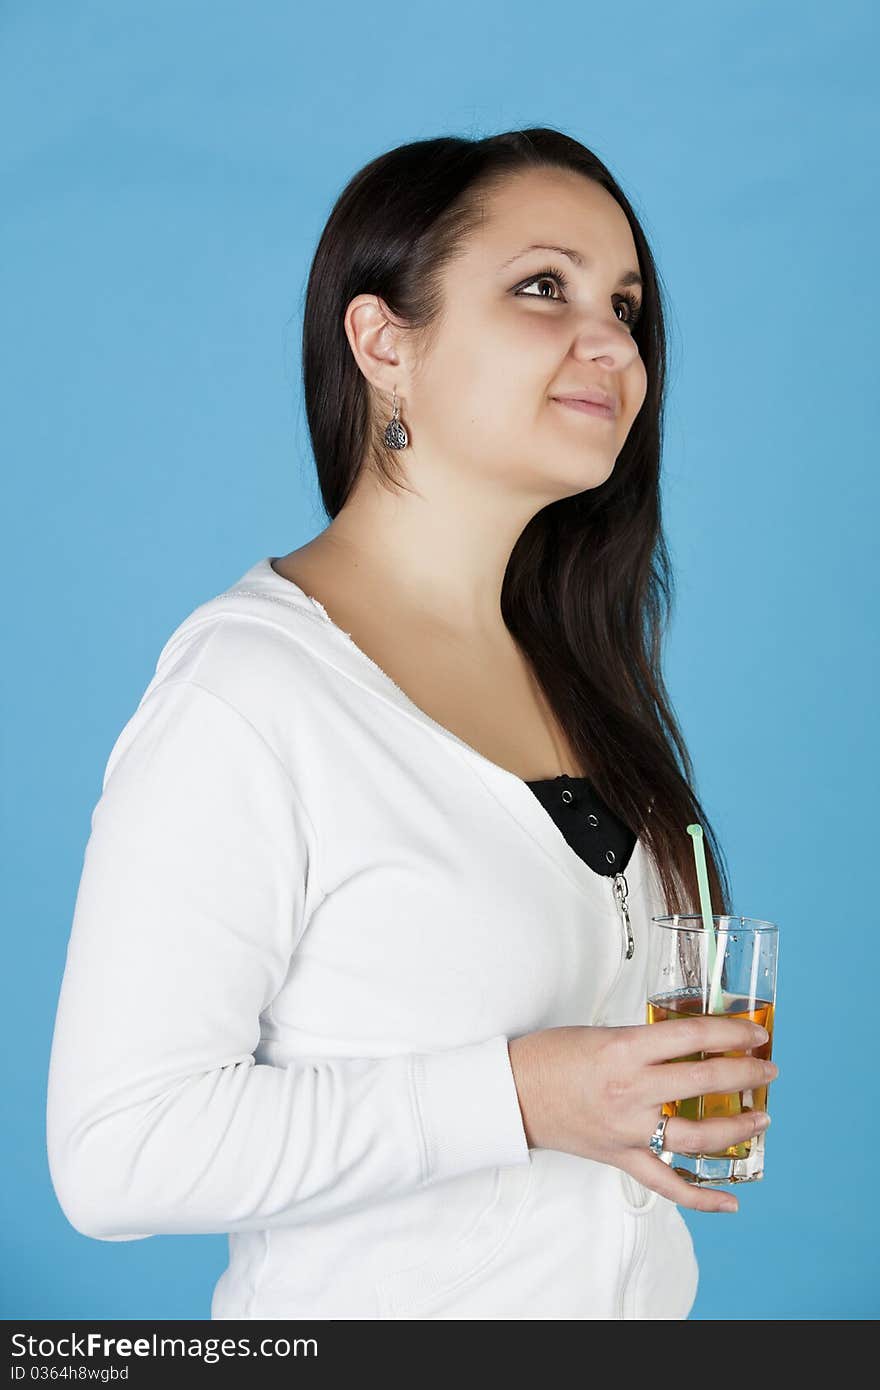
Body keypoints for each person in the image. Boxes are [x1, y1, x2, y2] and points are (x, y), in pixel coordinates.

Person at [46, 127, 778, 1320]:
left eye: (627, 306)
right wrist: (524, 1096)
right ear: (384, 341)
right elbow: (117, 1150)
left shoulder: (577, 672)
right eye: (544, 287)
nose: (613, 345)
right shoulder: (252, 690)